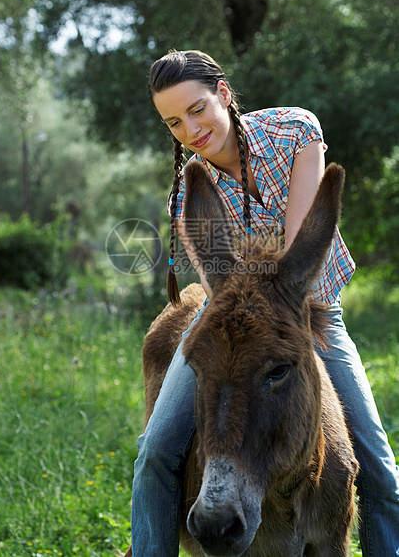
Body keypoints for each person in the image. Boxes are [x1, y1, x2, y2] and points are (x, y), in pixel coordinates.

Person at [129, 49, 399, 556]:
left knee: (379, 469)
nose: (190, 129)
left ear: (224, 95)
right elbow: (220, 286)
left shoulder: (295, 132)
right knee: (155, 453)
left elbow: (299, 250)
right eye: (173, 122)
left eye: (197, 109)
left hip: (310, 312)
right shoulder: (191, 191)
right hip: (230, 322)